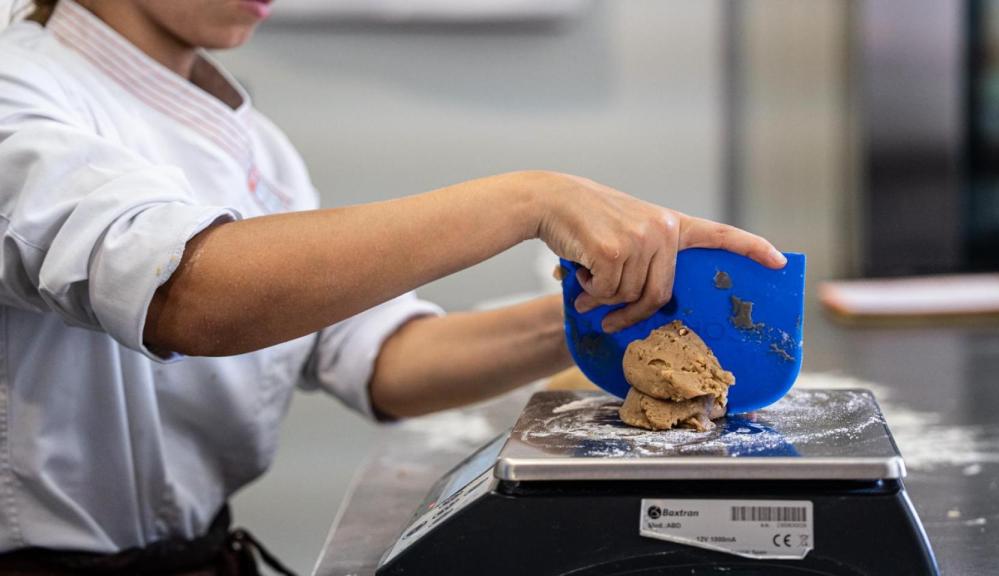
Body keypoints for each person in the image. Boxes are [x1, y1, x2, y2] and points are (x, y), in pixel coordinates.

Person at [0, 0, 787, 573]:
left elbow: (382, 359)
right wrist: (528, 199)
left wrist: (610, 315)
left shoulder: (252, 145)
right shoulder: (19, 93)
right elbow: (187, 295)